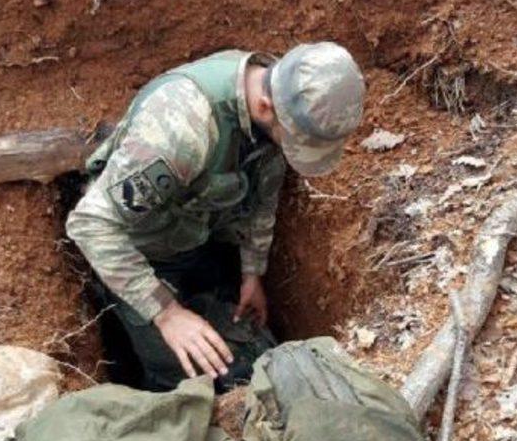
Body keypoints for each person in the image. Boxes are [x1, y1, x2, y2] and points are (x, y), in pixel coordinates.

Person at [66, 42, 365, 391]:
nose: (291, 149)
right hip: (135, 259)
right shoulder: (182, 129)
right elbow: (90, 223)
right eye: (296, 141)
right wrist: (166, 313)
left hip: (197, 239)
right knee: (194, 377)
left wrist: (252, 273)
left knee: (260, 359)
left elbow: (264, 192)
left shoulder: (271, 92)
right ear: (266, 107)